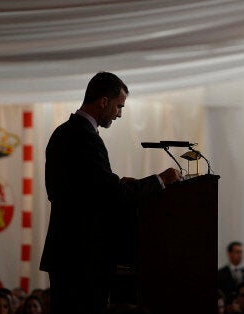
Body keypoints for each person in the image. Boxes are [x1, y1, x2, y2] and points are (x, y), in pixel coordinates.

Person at [40, 71, 181, 314]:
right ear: (103, 101)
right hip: (83, 255)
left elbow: (80, 189)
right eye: (118, 106)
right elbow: (112, 195)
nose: (119, 114)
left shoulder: (63, 132)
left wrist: (117, 185)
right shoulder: (85, 137)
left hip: (66, 251)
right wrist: (161, 180)